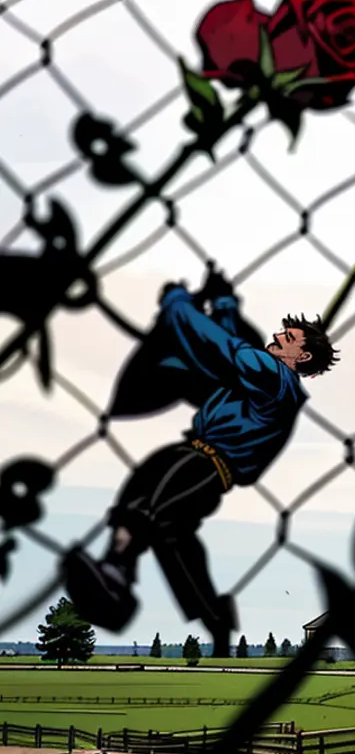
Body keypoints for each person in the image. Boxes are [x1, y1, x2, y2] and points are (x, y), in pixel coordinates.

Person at [61, 271, 339, 658]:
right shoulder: (265, 375)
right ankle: (205, 613)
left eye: (288, 338)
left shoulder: (276, 377)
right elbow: (235, 350)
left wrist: (178, 302)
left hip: (207, 463)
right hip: (192, 452)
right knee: (166, 530)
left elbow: (223, 347)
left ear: (303, 356)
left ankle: (118, 573)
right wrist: (224, 303)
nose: (276, 337)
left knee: (153, 510)